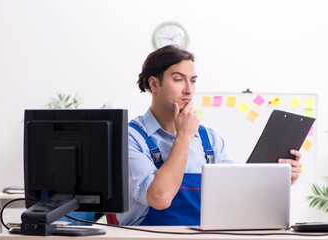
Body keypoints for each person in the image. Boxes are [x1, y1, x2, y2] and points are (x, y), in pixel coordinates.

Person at [116, 44, 302, 226]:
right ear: (154, 84)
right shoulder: (129, 138)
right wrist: (184, 137)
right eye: (178, 79)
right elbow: (160, 197)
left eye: (193, 80)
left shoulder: (209, 140)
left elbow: (237, 198)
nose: (189, 89)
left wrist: (280, 181)